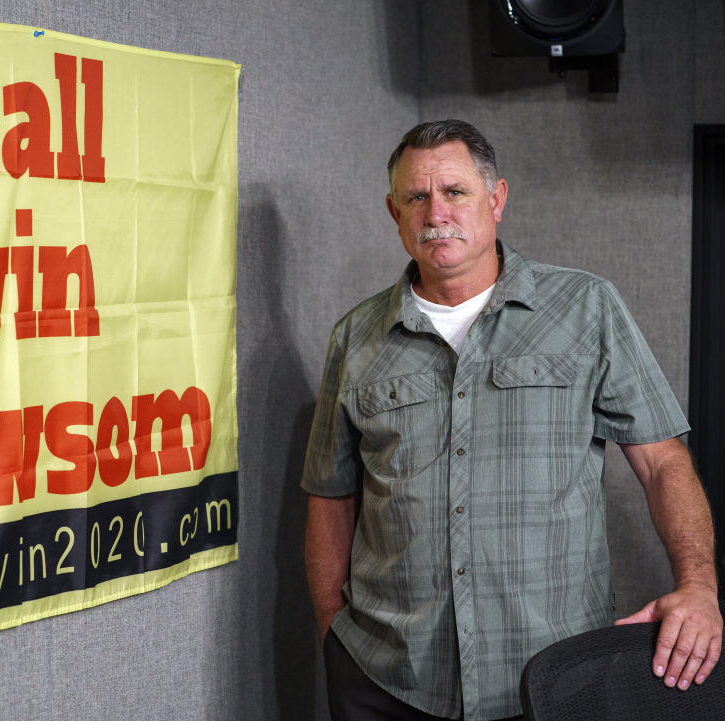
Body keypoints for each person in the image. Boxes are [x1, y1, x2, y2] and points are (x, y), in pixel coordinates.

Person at [301, 119, 722, 721]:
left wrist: (699, 586)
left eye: (455, 192)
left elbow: (662, 462)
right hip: (386, 676)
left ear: (495, 200)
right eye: (416, 198)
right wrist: (331, 631)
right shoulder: (356, 336)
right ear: (394, 213)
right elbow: (330, 495)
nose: (435, 213)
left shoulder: (585, 307)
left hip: (554, 677)